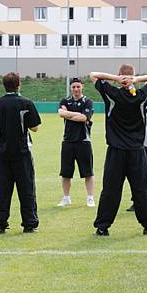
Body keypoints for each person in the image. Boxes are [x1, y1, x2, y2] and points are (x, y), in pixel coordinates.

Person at [90, 64, 147, 236]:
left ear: (120, 76)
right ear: (133, 76)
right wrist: (136, 80)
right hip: (137, 150)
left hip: (116, 151)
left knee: (110, 190)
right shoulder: (142, 95)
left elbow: (93, 75)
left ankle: (102, 226)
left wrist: (116, 79)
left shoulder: (112, 94)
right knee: (142, 189)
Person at [0, 72, 41, 234]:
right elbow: (35, 127)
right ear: (19, 85)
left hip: (3, 152)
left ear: (4, 85)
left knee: (3, 188)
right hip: (22, 151)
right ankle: (29, 223)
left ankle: (2, 222)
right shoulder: (26, 103)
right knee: (26, 187)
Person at [57, 77, 95, 208]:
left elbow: (84, 118)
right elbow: (61, 113)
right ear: (70, 88)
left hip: (83, 141)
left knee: (88, 172)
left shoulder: (88, 102)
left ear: (82, 87)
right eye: (73, 87)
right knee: (66, 172)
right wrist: (75, 115)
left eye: (78, 86)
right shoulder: (65, 100)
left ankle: (90, 198)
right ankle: (66, 198)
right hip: (67, 141)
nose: (76, 89)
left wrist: (68, 114)